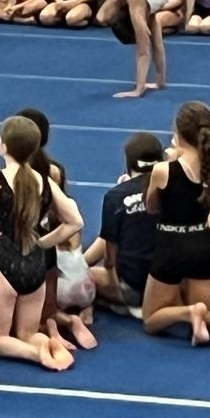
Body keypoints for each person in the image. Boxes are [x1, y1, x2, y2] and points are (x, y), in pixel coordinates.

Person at [0, 115, 82, 370]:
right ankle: (46, 344)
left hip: (4, 263)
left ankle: (37, 355)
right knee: (28, 332)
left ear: (3, 147)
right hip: (35, 263)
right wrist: (43, 243)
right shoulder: (45, 181)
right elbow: (75, 222)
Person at [143, 101, 210, 351]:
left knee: (150, 318)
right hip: (204, 245)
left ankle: (189, 312)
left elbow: (151, 207)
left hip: (171, 246)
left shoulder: (163, 170)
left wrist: (173, 160)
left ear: (178, 134)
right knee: (203, 313)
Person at [88, 131, 162, 317]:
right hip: (169, 287)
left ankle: (123, 304)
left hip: (131, 289)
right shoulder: (175, 190)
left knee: (84, 276)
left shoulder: (116, 196)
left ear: (129, 163)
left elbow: (110, 259)